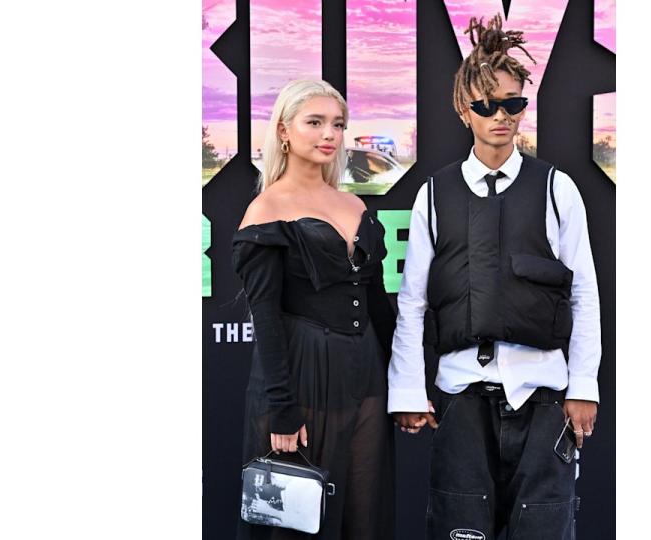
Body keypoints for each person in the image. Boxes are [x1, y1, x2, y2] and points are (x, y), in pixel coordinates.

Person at [387, 14, 601, 540]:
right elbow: (413, 300)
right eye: (486, 105)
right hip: (462, 397)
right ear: (465, 110)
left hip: (544, 397)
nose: (500, 115)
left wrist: (584, 385)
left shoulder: (557, 188)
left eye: (513, 103)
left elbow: (584, 293)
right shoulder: (434, 195)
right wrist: (408, 390)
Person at [232, 79, 395, 539]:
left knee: (363, 515)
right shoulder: (267, 209)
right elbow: (265, 317)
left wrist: (406, 380)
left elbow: (379, 307)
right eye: (315, 122)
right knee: (300, 525)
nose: (330, 134)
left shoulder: (353, 204)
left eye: (338, 124)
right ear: (284, 131)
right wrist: (281, 408)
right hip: (301, 376)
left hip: (366, 372)